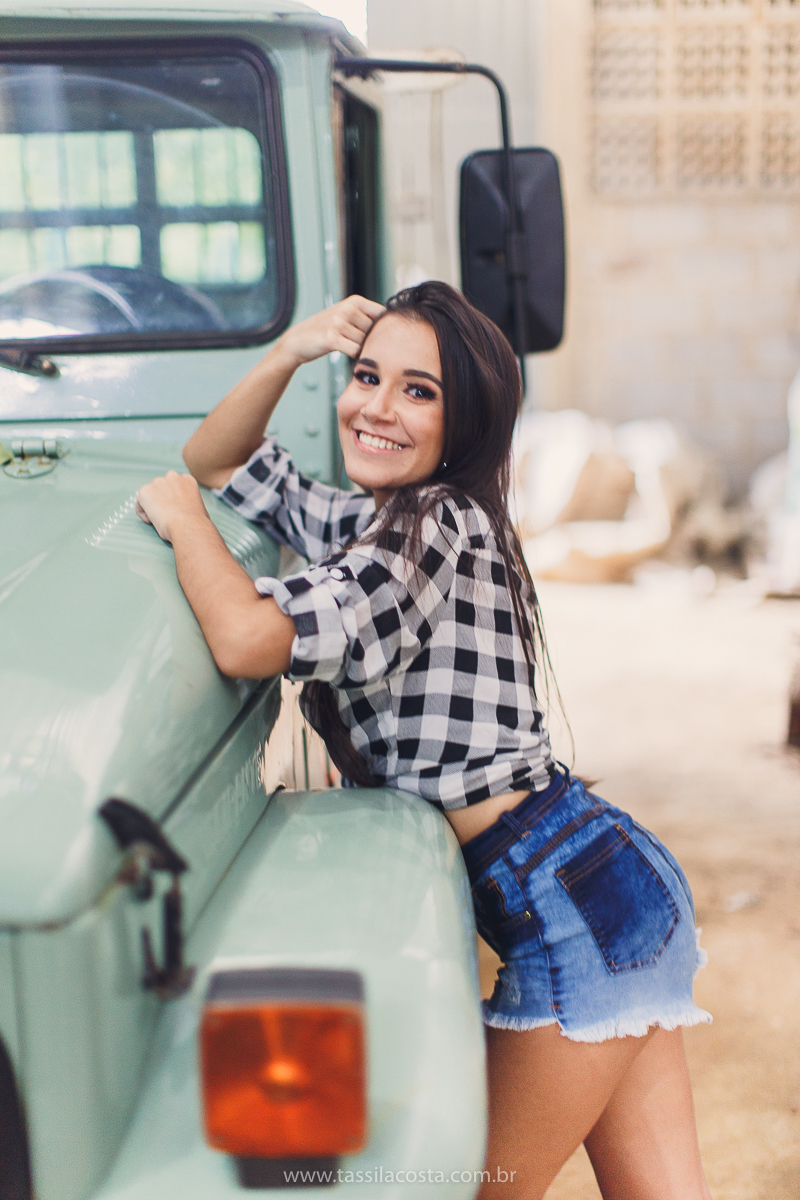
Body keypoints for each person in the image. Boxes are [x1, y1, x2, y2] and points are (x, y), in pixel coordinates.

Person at [136, 283, 712, 1199]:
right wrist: (293, 349)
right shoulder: (371, 523)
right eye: (367, 377)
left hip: (573, 908)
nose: (377, 407)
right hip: (604, 883)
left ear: (465, 418)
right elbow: (215, 457)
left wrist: (181, 523)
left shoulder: (427, 531)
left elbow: (246, 637)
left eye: (419, 391)